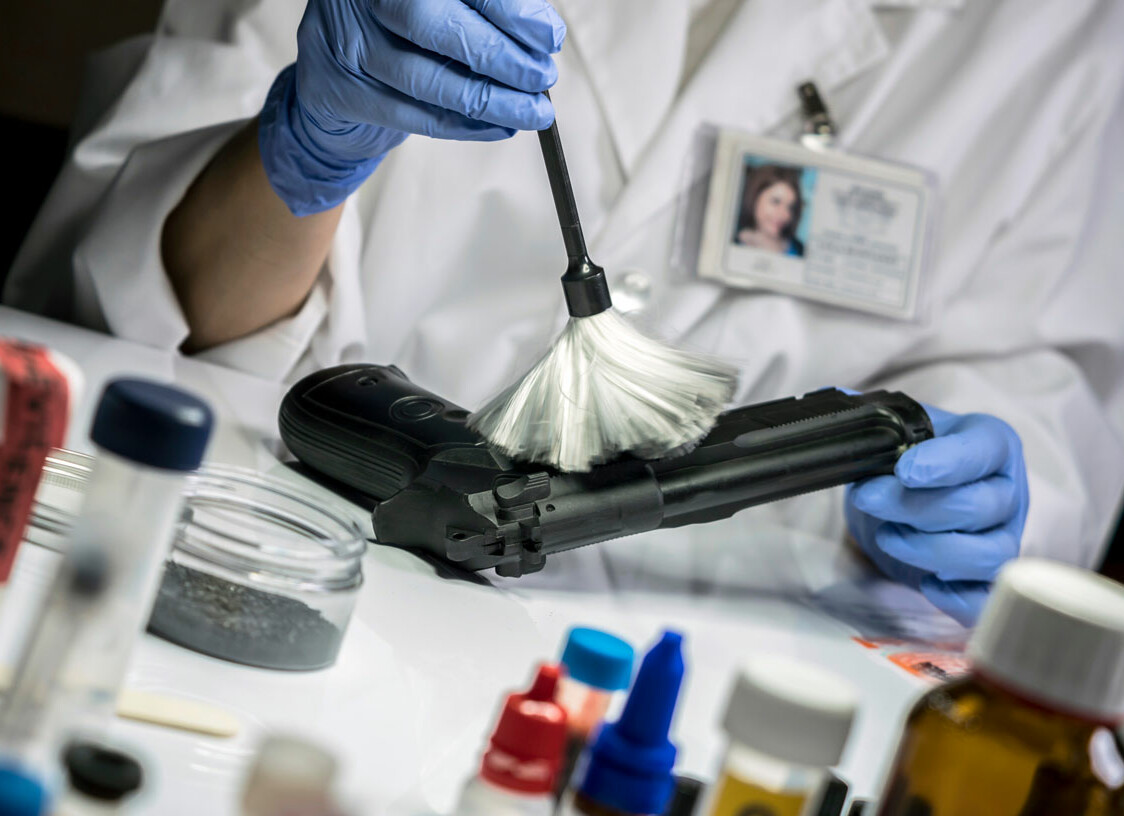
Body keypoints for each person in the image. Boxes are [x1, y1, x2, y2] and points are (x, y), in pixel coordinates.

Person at [6, 0, 1124, 624]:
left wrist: (990, 490)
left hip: (720, 658)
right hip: (280, 573)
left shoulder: (1056, 29)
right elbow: (128, 309)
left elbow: (1043, 375)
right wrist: (303, 150)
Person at [734, 165, 805, 257]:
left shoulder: (800, 251)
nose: (785, 215)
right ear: (755, 197)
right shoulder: (730, 242)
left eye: (790, 207)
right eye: (776, 202)